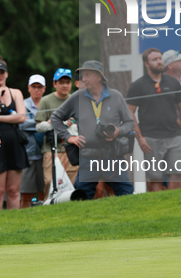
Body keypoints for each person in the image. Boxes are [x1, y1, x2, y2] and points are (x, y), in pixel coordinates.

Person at [51, 61, 134, 200]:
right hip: (88, 156)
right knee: (81, 197)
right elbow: (55, 118)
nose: (83, 79)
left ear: (99, 77)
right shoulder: (77, 97)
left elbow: (130, 123)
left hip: (113, 155)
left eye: (87, 75)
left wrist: (118, 131)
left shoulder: (116, 96)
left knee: (126, 193)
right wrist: (69, 137)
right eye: (82, 76)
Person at [127, 48, 181, 192]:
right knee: (155, 177)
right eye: (155, 59)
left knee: (179, 172)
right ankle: (160, 207)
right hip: (151, 138)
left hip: (174, 136)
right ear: (146, 64)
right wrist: (140, 138)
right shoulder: (137, 86)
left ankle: (174, 204)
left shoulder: (173, 83)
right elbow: (130, 113)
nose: (159, 61)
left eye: (160, 58)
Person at [0, 55, 28, 212]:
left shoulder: (16, 92)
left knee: (13, 191)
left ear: (7, 74)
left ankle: (14, 223)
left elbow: (22, 117)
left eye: (2, 72)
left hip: (14, 144)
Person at [35, 68, 77, 198]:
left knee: (72, 183)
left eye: (68, 82)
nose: (65, 85)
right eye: (61, 82)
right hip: (51, 149)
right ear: (54, 84)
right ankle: (50, 210)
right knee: (50, 182)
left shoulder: (76, 99)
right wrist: (58, 123)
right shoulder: (46, 101)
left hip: (72, 148)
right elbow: (38, 127)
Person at [19, 74, 46, 208]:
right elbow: (21, 124)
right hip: (27, 153)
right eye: (34, 87)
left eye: (39, 87)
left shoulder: (47, 104)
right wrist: (43, 124)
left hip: (45, 153)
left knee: (44, 191)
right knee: (26, 194)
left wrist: (33, 124)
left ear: (44, 88)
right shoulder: (23, 104)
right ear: (28, 88)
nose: (37, 90)